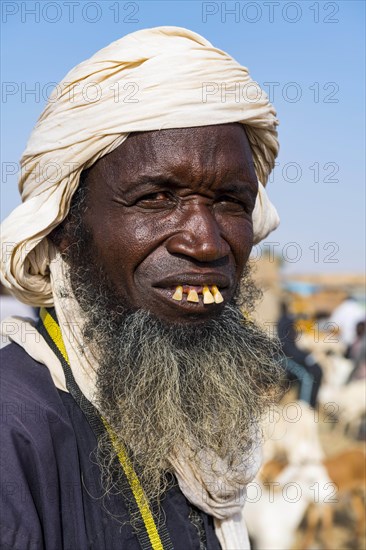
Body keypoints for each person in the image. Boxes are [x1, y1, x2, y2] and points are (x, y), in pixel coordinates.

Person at [0, 27, 283, 550]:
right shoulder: (16, 429)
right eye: (156, 197)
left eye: (230, 201)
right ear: (64, 227)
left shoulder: (201, 428)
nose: (205, 243)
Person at [277, 302, 323, 408]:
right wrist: (306, 358)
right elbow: (287, 347)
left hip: (290, 356)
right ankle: (304, 407)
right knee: (306, 376)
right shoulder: (286, 322)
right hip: (284, 358)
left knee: (316, 370)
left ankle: (310, 405)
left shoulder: (290, 320)